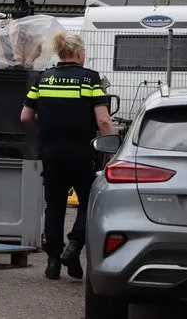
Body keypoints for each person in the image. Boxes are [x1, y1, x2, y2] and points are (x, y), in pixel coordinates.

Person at [20, 31, 114, 281]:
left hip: (50, 151)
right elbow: (103, 120)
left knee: (55, 206)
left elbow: (25, 117)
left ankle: (52, 261)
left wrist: (48, 125)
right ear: (79, 53)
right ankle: (74, 247)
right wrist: (112, 149)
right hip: (82, 152)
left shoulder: (43, 79)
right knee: (88, 203)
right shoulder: (90, 80)